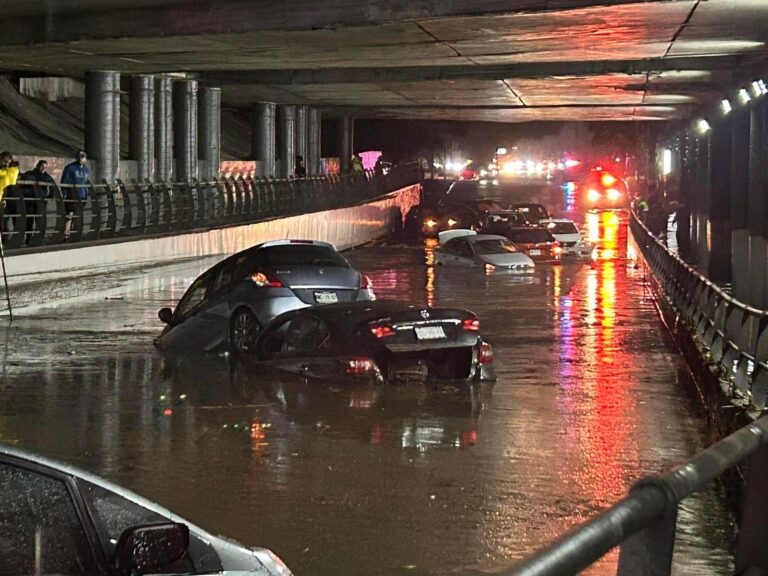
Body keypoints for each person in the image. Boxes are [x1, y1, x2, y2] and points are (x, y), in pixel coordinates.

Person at [20, 160, 55, 245]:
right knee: (30, 220)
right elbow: (22, 184)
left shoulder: (46, 176)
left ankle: (36, 238)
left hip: (40, 201)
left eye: (45, 167)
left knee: (39, 220)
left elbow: (53, 187)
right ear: (37, 166)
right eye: (42, 166)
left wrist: (51, 195)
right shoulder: (31, 174)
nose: (43, 168)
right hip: (31, 200)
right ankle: (29, 237)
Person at [60, 151, 90, 238]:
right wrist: (64, 193)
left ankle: (73, 233)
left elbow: (86, 182)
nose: (81, 159)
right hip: (71, 195)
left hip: (82, 196)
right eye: (79, 157)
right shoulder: (70, 168)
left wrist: (86, 193)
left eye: (82, 157)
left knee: (77, 216)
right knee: (69, 214)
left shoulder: (86, 169)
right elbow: (64, 181)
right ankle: (66, 234)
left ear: (85, 158)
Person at [0, 151, 20, 232]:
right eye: (4, 161)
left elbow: (5, 185)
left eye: (8, 162)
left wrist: (4, 198)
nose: (6, 164)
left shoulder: (10, 170)